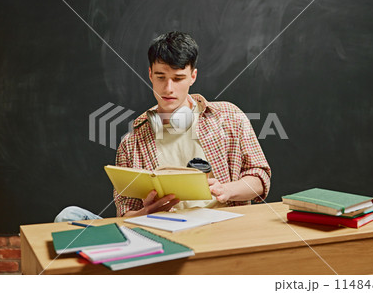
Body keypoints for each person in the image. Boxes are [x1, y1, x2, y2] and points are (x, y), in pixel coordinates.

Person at [54, 31, 270, 222]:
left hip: (221, 229)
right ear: (150, 75)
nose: (168, 88)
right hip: (164, 232)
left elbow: (260, 178)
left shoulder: (229, 116)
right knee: (68, 216)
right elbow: (125, 214)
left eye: (178, 78)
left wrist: (227, 191)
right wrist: (146, 212)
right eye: (161, 77)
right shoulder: (132, 142)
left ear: (193, 76)